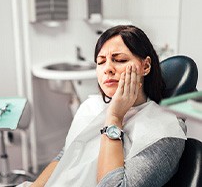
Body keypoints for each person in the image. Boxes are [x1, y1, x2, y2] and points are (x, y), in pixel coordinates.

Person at [30, 25, 186, 187]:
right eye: (101, 62)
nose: (108, 69)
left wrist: (114, 117)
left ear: (145, 66)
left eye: (120, 60)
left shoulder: (166, 131)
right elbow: (64, 157)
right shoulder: (91, 107)